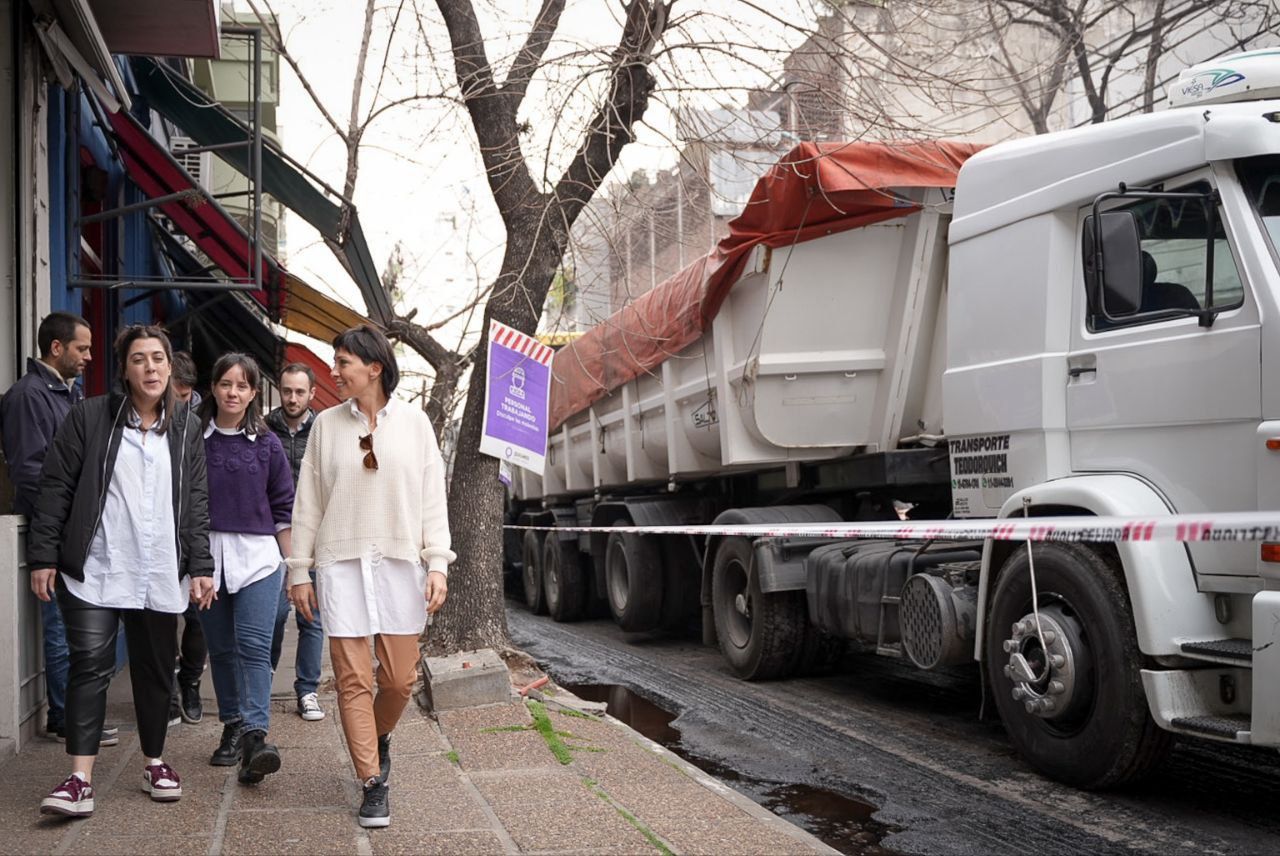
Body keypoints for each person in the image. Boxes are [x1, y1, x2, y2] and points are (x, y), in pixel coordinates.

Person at [27, 324, 215, 817]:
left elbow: (195, 501)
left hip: (159, 570)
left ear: (170, 367)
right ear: (125, 370)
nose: (150, 367)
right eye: (139, 359)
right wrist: (44, 555)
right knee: (89, 667)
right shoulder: (89, 417)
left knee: (155, 671)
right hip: (97, 567)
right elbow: (56, 487)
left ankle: (155, 761)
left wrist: (201, 564)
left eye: (158, 358)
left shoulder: (187, 427)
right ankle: (78, 779)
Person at [288, 325, 454, 829]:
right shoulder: (325, 426)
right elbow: (308, 503)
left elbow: (432, 498)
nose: (334, 372)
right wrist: (300, 570)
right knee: (353, 680)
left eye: (342, 362)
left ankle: (378, 736)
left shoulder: (415, 424)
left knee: (401, 679)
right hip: (340, 565)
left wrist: (438, 562)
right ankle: (372, 782)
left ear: (374, 368)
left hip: (402, 564)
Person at [0, 312, 118, 749]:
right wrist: (63, 521)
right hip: (54, 529)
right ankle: (66, 717)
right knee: (61, 625)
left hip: (74, 528)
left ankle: (74, 713)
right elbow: (30, 471)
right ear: (56, 348)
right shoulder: (28, 396)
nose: (89, 356)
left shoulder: (67, 393)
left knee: (75, 623)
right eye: (82, 348)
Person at [197, 353, 293, 786]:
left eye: (242, 385)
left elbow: (283, 509)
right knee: (220, 649)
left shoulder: (269, 445)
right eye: (225, 384)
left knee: (254, 647)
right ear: (213, 387)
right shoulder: (192, 440)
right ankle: (233, 724)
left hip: (259, 559)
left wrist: (295, 569)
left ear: (254, 393)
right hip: (206, 560)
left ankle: (256, 737)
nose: (233, 392)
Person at [266, 363, 325, 722]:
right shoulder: (263, 428)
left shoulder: (324, 430)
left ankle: (308, 691)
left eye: (299, 392)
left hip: (312, 533)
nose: (292, 398)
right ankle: (265, 679)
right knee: (272, 614)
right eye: (287, 391)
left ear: (311, 394)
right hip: (271, 533)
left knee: (311, 615)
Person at [168, 350, 206, 726]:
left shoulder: (200, 421)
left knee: (198, 618)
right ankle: (162, 694)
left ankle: (190, 681)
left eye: (184, 397)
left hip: (194, 530)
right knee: (159, 621)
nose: (179, 404)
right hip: (157, 532)